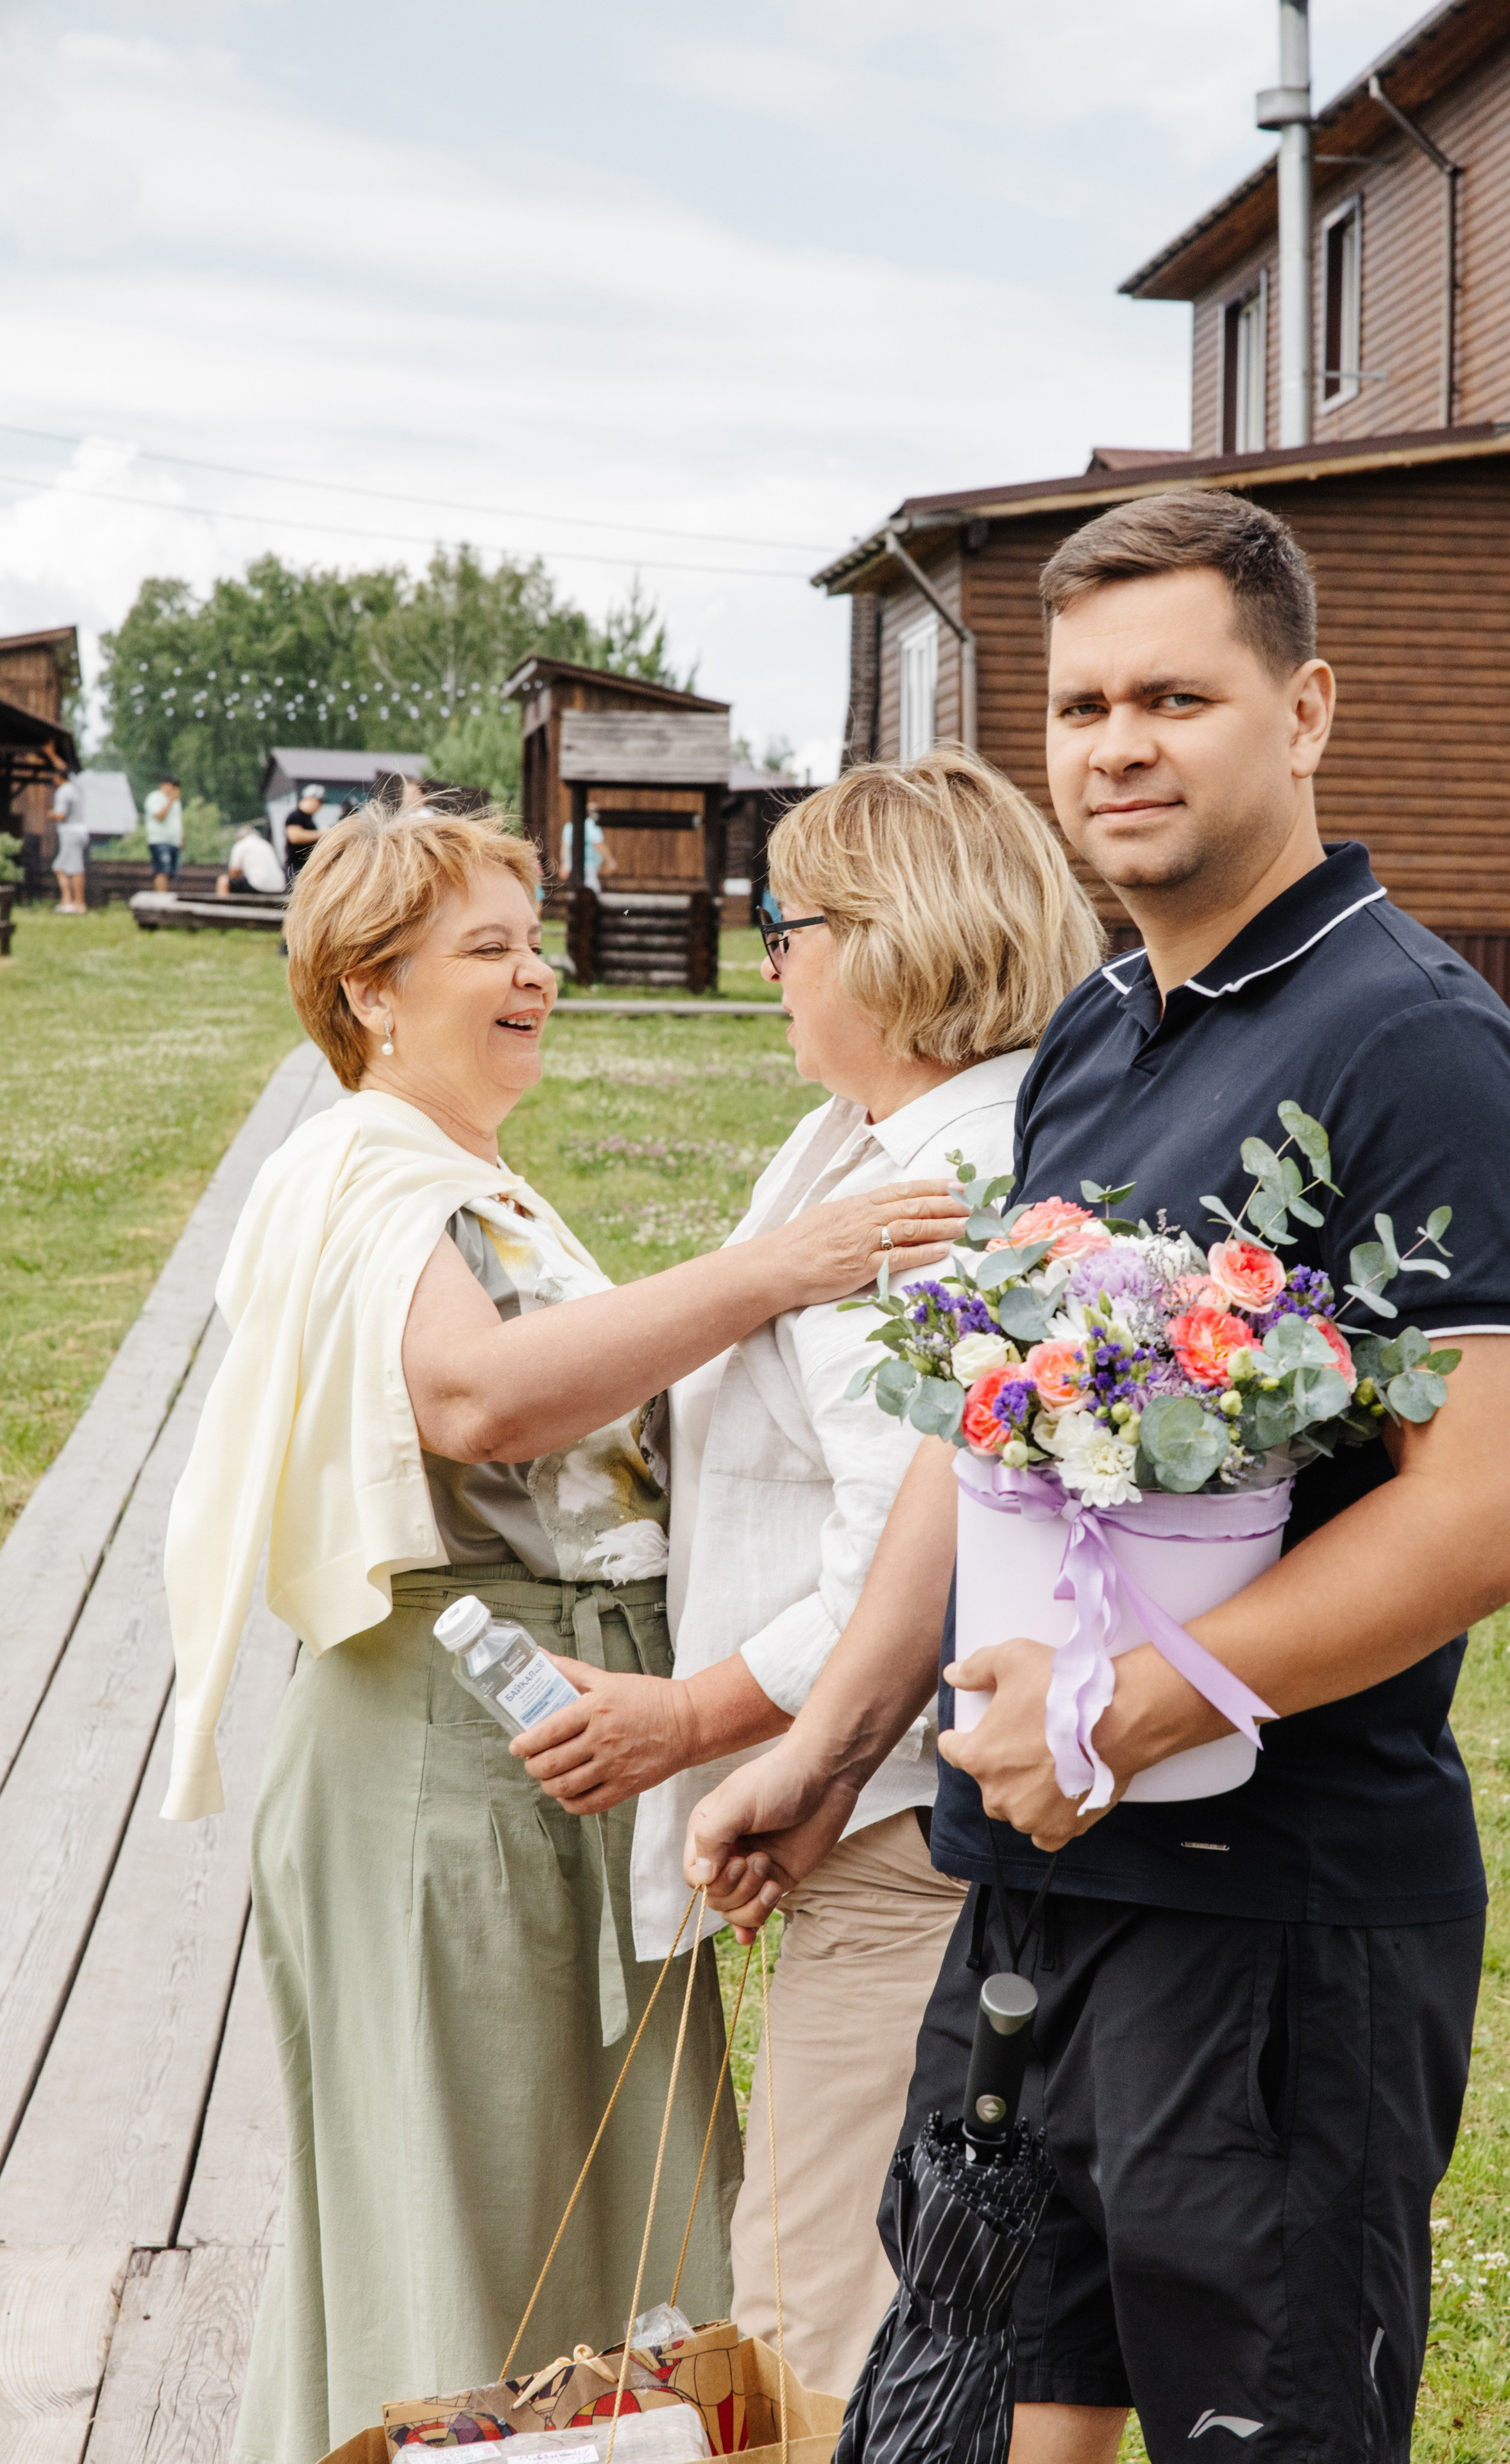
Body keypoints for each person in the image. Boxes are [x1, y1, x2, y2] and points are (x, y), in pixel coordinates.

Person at [686, 493, 1510, 2464]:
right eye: (1082, 704)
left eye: (1175, 692)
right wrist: (834, 1740)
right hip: (1031, 1897)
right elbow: (977, 1421)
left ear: (1305, 705)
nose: (1116, 743)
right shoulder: (1094, 1029)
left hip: (1280, 1923)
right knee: (1003, 2423)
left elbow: (1492, 1503)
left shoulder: (1413, 1038)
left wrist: (1128, 1702)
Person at [160, 795, 965, 2464]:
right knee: (475, 2233)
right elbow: (474, 1398)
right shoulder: (361, 1165)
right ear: (369, 990)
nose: (536, 977)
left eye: (538, 945)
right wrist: (781, 1270)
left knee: (589, 2226)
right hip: (455, 1757)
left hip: (565, 1762)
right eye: (486, 951)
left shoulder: (477, 1184)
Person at [514, 748, 1103, 2398]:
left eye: (785, 927)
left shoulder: (928, 1188)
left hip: (893, 1816)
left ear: (892, 936)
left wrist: (693, 1718)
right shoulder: (882, 1136)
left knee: (817, 2323)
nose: (766, 961)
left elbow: (895, 1552)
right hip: (874, 1799)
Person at [48, 771, 90, 913]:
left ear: (58, 778)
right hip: (80, 831)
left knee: (75, 869)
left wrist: (51, 814)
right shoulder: (76, 789)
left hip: (70, 833)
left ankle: (78, 904)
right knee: (61, 867)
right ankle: (68, 902)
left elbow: (61, 815)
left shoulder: (63, 792)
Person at [216, 819, 287, 897]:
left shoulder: (241, 845)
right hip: (279, 886)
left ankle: (223, 907)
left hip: (259, 886)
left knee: (223, 881)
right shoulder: (266, 845)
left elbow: (233, 872)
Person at [144, 773, 185, 891]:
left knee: (171, 873)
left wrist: (181, 838)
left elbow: (178, 822)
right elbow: (160, 816)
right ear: (164, 785)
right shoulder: (155, 797)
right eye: (173, 785)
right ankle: (160, 901)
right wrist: (170, 801)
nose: (175, 789)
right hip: (160, 841)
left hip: (174, 842)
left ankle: (166, 898)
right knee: (163, 871)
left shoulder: (176, 803)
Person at [561, 807, 616, 889]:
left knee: (575, 890)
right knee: (592, 890)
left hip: (572, 865)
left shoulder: (569, 826)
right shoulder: (592, 825)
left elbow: (565, 847)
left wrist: (564, 864)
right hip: (588, 866)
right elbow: (598, 844)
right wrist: (610, 860)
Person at [283, 782, 327, 875]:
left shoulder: (309, 819)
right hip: (296, 867)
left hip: (305, 867)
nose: (320, 806)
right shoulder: (295, 816)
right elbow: (295, 837)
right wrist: (322, 834)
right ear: (309, 799)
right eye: (319, 802)